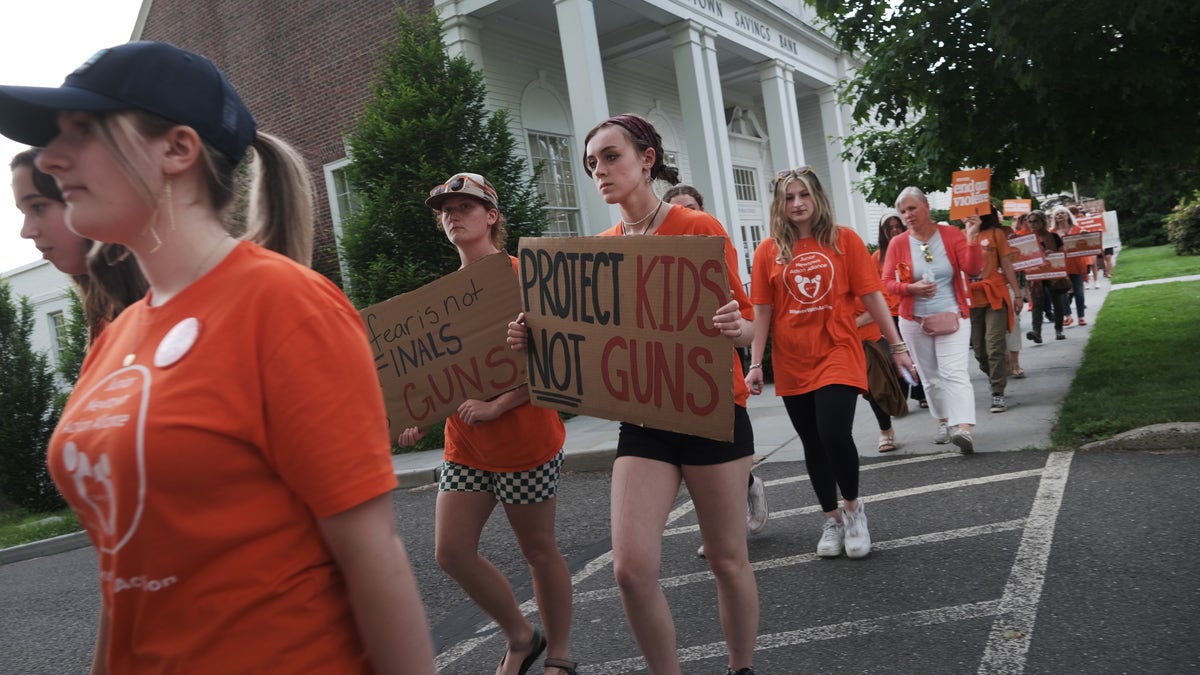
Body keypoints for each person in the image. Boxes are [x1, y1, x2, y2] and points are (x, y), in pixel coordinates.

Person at [0, 41, 436, 673]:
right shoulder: (119, 337)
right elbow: (124, 582)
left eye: (83, 130)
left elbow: (374, 557)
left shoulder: (285, 306)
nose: (53, 158)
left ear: (178, 149)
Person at [508, 114, 759, 675]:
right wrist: (532, 338)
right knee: (629, 569)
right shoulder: (596, 251)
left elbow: (747, 325)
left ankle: (740, 667)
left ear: (647, 159)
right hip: (643, 419)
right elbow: (580, 349)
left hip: (711, 411)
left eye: (611, 156)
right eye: (591, 163)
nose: (599, 171)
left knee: (726, 559)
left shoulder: (699, 229)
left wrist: (733, 329)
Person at [397, 172, 576, 675]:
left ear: (492, 216)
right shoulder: (442, 296)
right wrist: (417, 417)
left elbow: (564, 363)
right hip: (466, 444)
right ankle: (522, 636)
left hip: (526, 441)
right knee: (451, 552)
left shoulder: (528, 276)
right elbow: (440, 375)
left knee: (539, 551)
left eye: (465, 206)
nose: (453, 215)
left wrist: (501, 404)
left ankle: (558, 655)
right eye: (446, 210)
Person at [745, 167, 915, 560]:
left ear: (817, 197)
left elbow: (872, 297)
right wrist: (755, 364)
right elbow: (763, 311)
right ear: (779, 204)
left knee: (833, 432)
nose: (797, 204)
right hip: (792, 359)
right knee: (812, 442)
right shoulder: (769, 250)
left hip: (838, 350)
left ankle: (854, 511)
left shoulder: (844, 240)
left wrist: (898, 345)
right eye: (789, 198)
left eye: (804, 195)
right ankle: (831, 518)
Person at [664, 182, 768, 539]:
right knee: (691, 465)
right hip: (671, 386)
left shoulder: (716, 249)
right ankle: (735, 503)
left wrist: (738, 328)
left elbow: (749, 322)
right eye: (679, 209)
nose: (687, 216)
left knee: (720, 461)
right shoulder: (652, 263)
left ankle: (741, 497)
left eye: (693, 208)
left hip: (717, 380)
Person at [882, 187, 983, 453]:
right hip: (914, 320)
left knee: (954, 372)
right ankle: (944, 420)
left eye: (912, 208)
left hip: (952, 315)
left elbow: (973, 269)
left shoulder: (950, 234)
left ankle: (963, 429)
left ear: (926, 206)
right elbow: (887, 283)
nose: (908, 215)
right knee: (930, 377)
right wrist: (910, 289)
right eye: (903, 211)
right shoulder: (898, 243)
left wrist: (971, 237)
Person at [11, 148, 147, 341]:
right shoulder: (105, 314)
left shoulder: (173, 306)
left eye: (38, 207)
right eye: (23, 212)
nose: (26, 232)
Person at [964, 206, 1022, 413]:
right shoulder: (961, 236)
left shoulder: (996, 234)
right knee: (980, 352)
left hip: (995, 297)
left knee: (994, 345)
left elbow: (1007, 265)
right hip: (971, 300)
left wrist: (1017, 294)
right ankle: (998, 375)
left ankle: (997, 392)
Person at [876, 209, 927, 409]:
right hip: (890, 314)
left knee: (915, 354)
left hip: (913, 309)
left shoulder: (915, 248)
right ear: (883, 232)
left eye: (898, 226)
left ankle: (921, 393)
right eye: (890, 228)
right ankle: (901, 397)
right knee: (895, 357)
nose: (895, 230)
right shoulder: (877, 257)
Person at [1024, 210, 1069, 343]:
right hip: (1036, 275)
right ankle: (1036, 332)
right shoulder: (1028, 239)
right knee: (1037, 303)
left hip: (1053, 273)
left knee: (1058, 302)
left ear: (1043, 221)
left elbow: (1062, 253)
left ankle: (1059, 329)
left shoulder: (1053, 236)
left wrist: (1052, 253)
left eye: (1035, 221)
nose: (1032, 224)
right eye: (1030, 221)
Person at [1051, 206, 1088, 326]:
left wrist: (1085, 235)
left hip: (1076, 263)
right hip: (1060, 265)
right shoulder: (1052, 232)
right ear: (1054, 218)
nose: (1060, 215)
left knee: (1079, 291)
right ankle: (1068, 316)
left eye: (1063, 213)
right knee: (1062, 292)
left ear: (1068, 215)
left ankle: (1081, 316)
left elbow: (1086, 243)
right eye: (1057, 214)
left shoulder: (1078, 229)